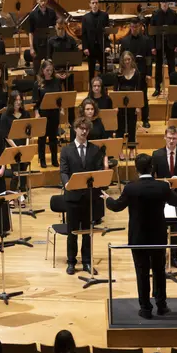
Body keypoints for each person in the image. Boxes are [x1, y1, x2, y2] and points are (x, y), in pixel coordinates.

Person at [103, 154, 177, 318]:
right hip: (158, 237)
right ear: (152, 168)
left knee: (142, 271)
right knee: (159, 270)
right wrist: (172, 187)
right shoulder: (162, 187)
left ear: (136, 169)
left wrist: (108, 199)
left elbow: (116, 207)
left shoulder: (131, 188)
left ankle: (145, 308)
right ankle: (161, 305)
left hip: (138, 238)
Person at [60, 117, 104, 275]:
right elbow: (64, 171)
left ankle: (86, 261)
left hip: (88, 197)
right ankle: (71, 261)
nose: (84, 131)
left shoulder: (94, 149)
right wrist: (67, 184)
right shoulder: (66, 150)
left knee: (87, 232)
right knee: (72, 232)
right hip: (72, 197)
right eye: (81, 128)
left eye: (86, 129)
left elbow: (98, 170)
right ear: (75, 129)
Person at [152, 126, 177, 270]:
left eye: (174, 138)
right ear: (164, 137)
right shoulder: (156, 155)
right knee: (160, 228)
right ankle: (161, 257)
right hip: (161, 198)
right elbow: (152, 177)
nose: (171, 141)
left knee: (175, 227)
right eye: (169, 138)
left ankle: (174, 257)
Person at [1, 91, 31, 200]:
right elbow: (6, 135)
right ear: (11, 102)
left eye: (20, 100)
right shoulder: (5, 116)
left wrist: (26, 146)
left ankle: (22, 193)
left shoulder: (26, 114)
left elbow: (28, 132)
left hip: (24, 145)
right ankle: (12, 196)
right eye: (16, 100)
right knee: (15, 173)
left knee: (23, 171)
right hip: (12, 147)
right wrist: (16, 147)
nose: (18, 102)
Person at [116, 50, 145, 158]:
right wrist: (116, 106)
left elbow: (138, 90)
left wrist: (138, 106)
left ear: (132, 60)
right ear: (122, 61)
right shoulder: (118, 73)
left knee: (132, 127)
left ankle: (132, 149)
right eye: (125, 60)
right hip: (121, 103)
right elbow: (116, 89)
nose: (127, 62)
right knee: (120, 127)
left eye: (129, 59)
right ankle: (120, 149)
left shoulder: (136, 73)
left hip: (132, 103)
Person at [34, 59, 63, 168]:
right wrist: (37, 114)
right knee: (42, 138)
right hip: (43, 114)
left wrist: (61, 108)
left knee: (53, 137)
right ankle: (42, 160)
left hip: (54, 113)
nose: (49, 72)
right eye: (47, 70)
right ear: (42, 70)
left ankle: (54, 159)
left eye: (51, 70)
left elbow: (60, 97)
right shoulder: (38, 83)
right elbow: (36, 102)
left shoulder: (56, 81)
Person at [150, 1, 177, 97]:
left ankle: (173, 88)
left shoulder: (173, 14)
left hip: (170, 44)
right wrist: (152, 46)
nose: (164, 4)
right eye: (163, 2)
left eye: (166, 2)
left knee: (172, 67)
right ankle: (157, 88)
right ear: (160, 3)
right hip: (159, 44)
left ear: (168, 4)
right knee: (158, 67)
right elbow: (152, 32)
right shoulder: (155, 14)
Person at [81, 0, 111, 81]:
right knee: (91, 70)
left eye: (96, 3)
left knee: (103, 70)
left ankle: (103, 90)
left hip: (102, 47)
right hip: (91, 47)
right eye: (93, 3)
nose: (95, 5)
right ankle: (91, 91)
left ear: (99, 4)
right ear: (90, 4)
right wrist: (85, 47)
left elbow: (107, 32)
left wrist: (108, 45)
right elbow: (84, 34)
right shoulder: (85, 17)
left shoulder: (104, 15)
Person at [28, 0, 57, 72]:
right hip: (37, 45)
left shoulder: (52, 12)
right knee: (36, 70)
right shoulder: (33, 15)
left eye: (44, 1)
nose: (43, 3)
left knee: (50, 69)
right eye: (41, 1)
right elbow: (30, 32)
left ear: (47, 1)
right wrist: (31, 48)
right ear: (37, 1)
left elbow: (55, 28)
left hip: (49, 44)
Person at [120, 17, 153, 84]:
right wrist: (121, 69)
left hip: (142, 70)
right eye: (132, 27)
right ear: (130, 27)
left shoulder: (146, 40)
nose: (134, 29)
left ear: (140, 26)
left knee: (143, 92)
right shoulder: (124, 41)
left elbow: (149, 58)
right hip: (128, 71)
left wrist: (149, 73)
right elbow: (121, 57)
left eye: (136, 27)